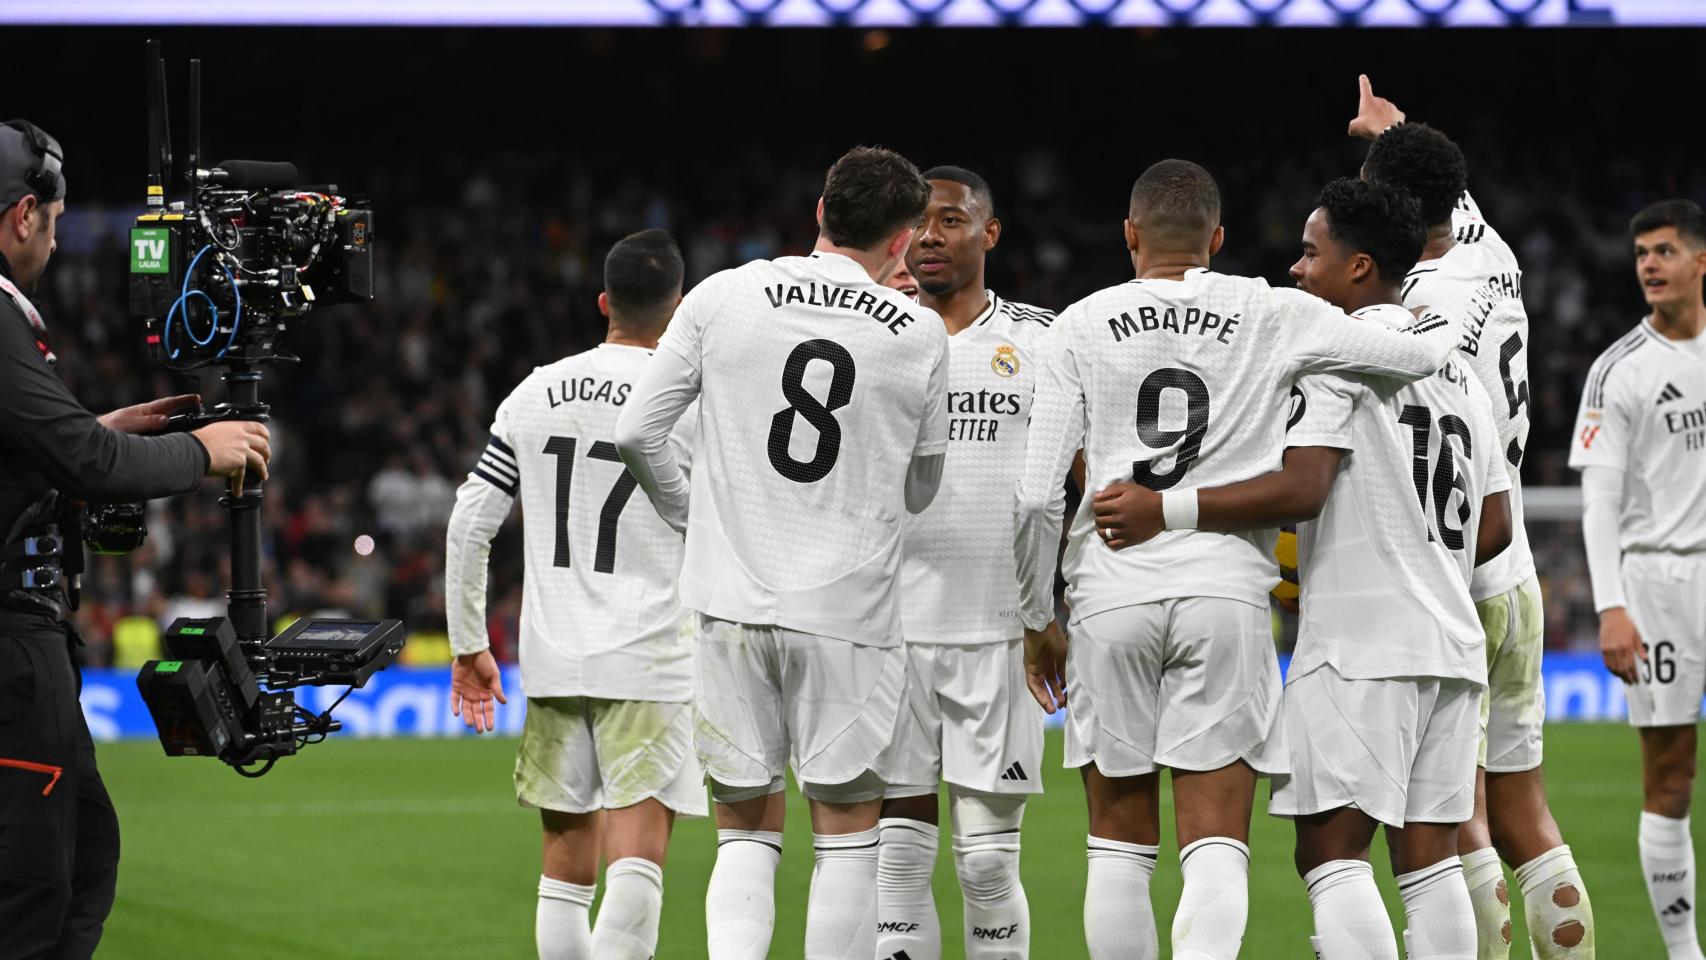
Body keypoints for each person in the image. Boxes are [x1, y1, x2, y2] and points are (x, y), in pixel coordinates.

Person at [1013, 158, 1460, 960]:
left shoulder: (1077, 322)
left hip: (1109, 590)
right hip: (1225, 592)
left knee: (1117, 844)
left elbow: (1036, 496)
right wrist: (1449, 304)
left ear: (1128, 235)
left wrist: (1035, 617)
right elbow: (1417, 357)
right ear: (1217, 239)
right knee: (1215, 843)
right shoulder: (1269, 308)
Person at [1108, 177, 1513, 959]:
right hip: (1453, 645)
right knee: (1430, 865)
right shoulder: (1462, 373)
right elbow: (1493, 524)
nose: (1296, 269)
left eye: (1309, 252)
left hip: (1362, 648)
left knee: (1331, 854)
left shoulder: (1335, 357)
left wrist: (1168, 510)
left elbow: (1304, 485)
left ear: (1360, 268)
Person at [615, 145, 947, 960]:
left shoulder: (724, 296)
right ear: (902, 242)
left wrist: (696, 516)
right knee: (844, 830)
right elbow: (922, 486)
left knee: (744, 831)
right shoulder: (918, 331)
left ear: (820, 214)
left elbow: (636, 432)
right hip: (848, 613)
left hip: (729, 600)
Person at [0, 118, 270, 960]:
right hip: (10, 646)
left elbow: (56, 448)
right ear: (21, 215)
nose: (55, 236)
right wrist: (201, 452)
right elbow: (83, 458)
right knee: (32, 891)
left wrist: (100, 430)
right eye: (54, 218)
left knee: (83, 851)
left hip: (25, 643)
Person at [1352, 75, 1596, 959]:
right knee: (1526, 809)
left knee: (1454, 820)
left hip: (1448, 569)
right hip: (1516, 564)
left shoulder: (1421, 308)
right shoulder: (1489, 252)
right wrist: (1397, 130)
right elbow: (1438, 179)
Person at [443, 229, 706, 960]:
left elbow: (471, 521)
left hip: (554, 655)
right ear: (679, 309)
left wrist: (470, 645)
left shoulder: (536, 389)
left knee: (564, 867)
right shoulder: (688, 398)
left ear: (603, 303)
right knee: (637, 853)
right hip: (651, 654)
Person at [876, 165, 1054, 960]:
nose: (929, 238)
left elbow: (1081, 481)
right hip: (886, 633)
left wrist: (1058, 607)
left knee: (985, 860)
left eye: (949, 220)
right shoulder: (873, 335)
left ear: (990, 232)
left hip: (999, 631)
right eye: (918, 223)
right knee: (896, 860)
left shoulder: (1044, 340)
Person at [1569, 198, 1706, 960]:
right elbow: (1600, 500)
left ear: (1700, 262)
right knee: (1671, 776)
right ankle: (1685, 953)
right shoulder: (1619, 369)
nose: (1649, 265)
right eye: (1641, 254)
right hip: (1659, 584)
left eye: (1664, 251)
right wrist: (1612, 606)